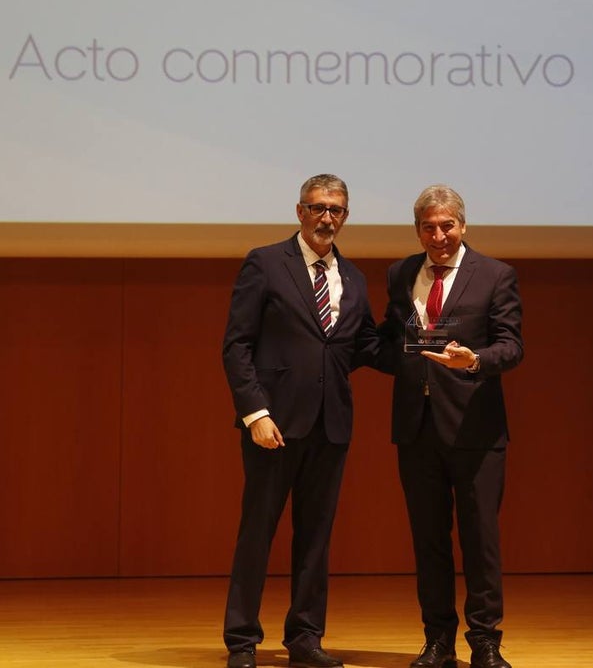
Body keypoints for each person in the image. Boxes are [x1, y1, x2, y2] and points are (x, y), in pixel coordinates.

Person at [221, 174, 377, 668]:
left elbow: (363, 346)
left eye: (336, 210)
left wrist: (425, 350)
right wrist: (255, 413)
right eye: (317, 208)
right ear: (299, 211)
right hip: (274, 426)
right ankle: (242, 640)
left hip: (331, 428)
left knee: (315, 538)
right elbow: (236, 345)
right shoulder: (265, 263)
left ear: (345, 217)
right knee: (257, 534)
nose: (326, 218)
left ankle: (305, 638)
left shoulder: (353, 278)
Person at [376, 185, 524, 668]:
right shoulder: (400, 273)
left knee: (480, 540)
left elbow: (512, 346)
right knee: (429, 540)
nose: (438, 236)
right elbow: (389, 338)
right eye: (428, 227)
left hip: (475, 431)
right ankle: (437, 640)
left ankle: (485, 642)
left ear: (463, 225)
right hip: (416, 429)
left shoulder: (496, 275)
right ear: (417, 229)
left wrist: (474, 359)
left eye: (447, 226)